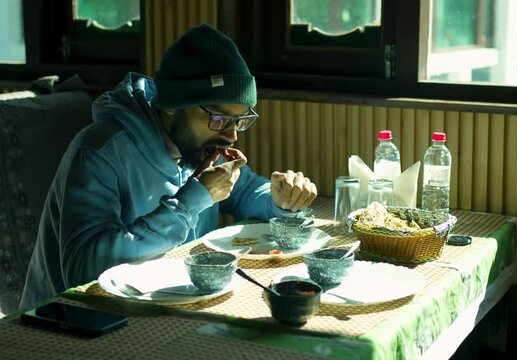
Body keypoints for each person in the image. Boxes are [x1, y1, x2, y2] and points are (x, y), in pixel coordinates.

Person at [20, 24, 317, 309]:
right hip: (69, 321)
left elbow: (246, 190)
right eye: (219, 119)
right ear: (173, 103)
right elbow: (84, 269)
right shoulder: (100, 151)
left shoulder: (200, 148)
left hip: (166, 303)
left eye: (240, 121)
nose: (232, 135)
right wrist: (192, 201)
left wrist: (280, 198)